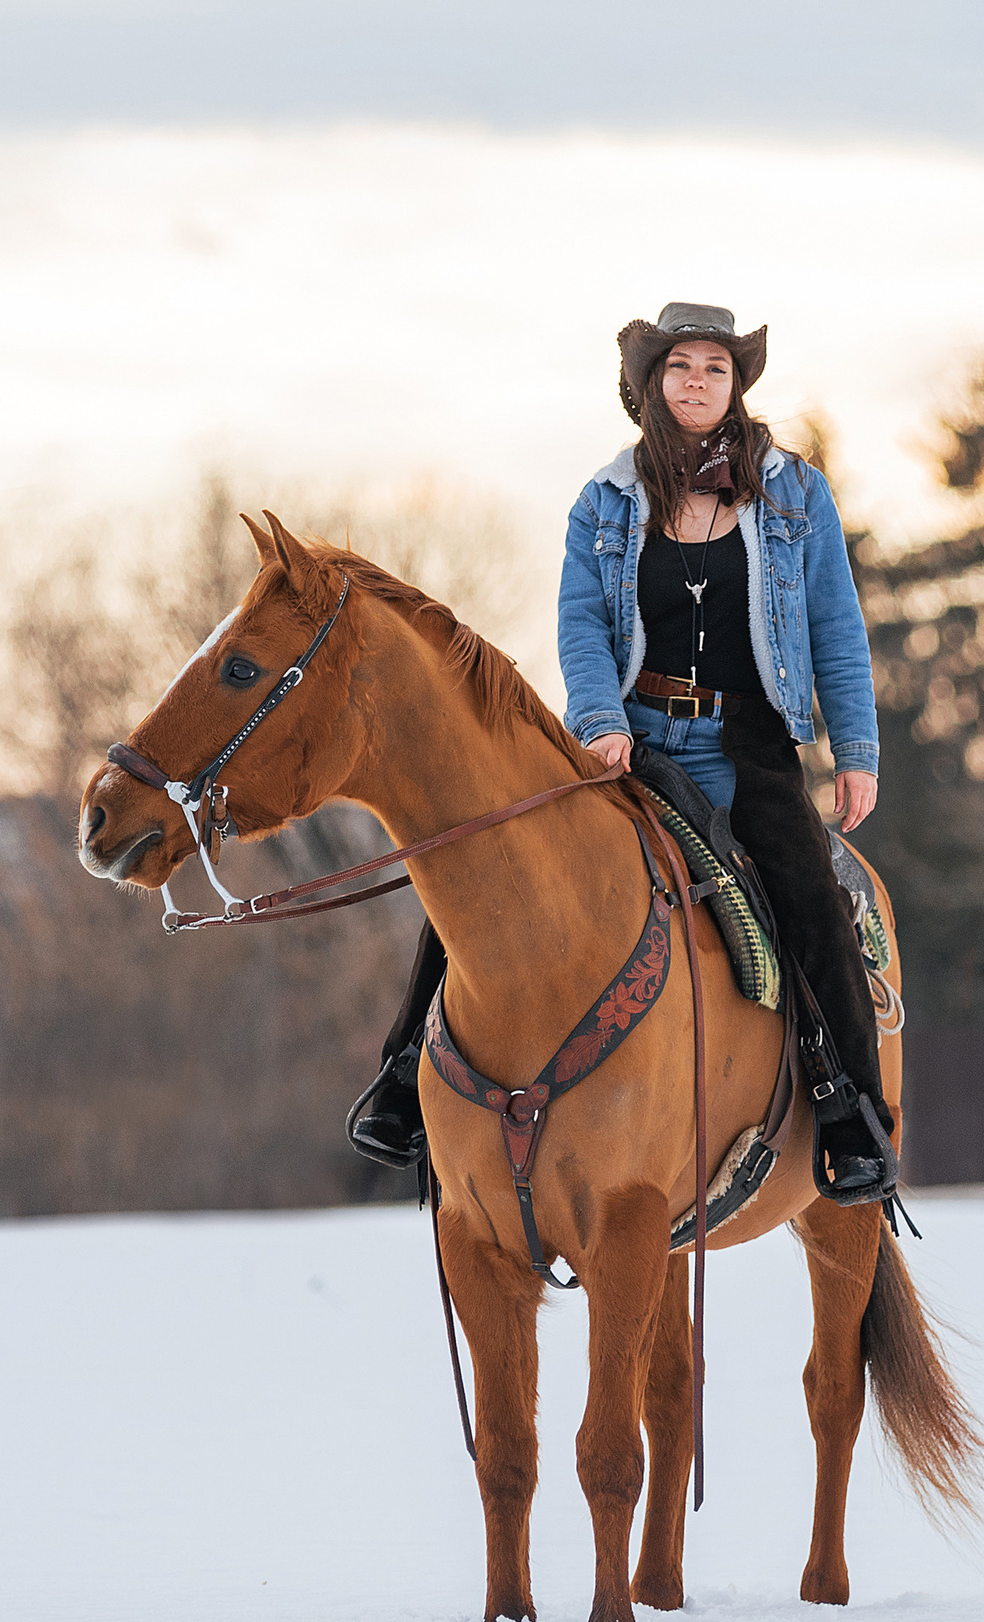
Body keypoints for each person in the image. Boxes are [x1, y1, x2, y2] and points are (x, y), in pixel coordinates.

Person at [348, 302, 897, 1204]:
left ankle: (850, 1114)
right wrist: (600, 717)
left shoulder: (795, 493)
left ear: (737, 385)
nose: (696, 382)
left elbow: (836, 625)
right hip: (628, 741)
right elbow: (580, 621)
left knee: (811, 896)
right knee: (489, 863)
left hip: (746, 746)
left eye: (715, 367)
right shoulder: (605, 500)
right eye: (680, 366)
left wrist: (857, 750)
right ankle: (407, 1075)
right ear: (650, 383)